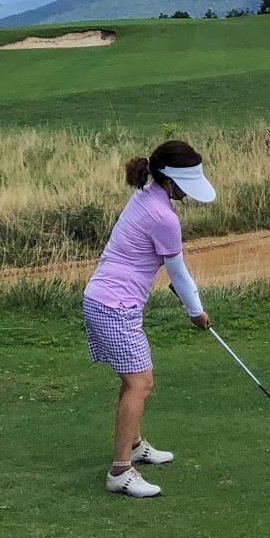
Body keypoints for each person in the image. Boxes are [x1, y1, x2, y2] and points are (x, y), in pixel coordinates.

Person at [83, 137, 214, 497]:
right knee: (140, 384)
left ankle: (136, 445)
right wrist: (196, 312)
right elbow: (179, 274)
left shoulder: (145, 196)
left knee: (134, 382)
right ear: (170, 182)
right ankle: (120, 471)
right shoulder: (163, 217)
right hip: (115, 307)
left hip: (102, 300)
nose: (188, 193)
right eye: (185, 185)